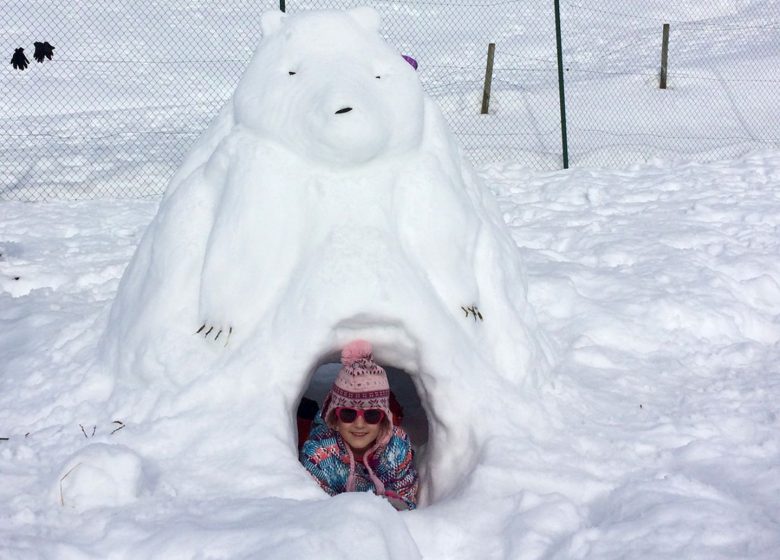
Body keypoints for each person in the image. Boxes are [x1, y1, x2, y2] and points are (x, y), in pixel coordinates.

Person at [299, 340, 419, 510]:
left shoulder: (397, 447)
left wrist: (396, 505)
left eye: (372, 414)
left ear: (383, 417)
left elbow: (407, 492)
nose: (359, 424)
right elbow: (316, 510)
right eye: (348, 414)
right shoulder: (319, 454)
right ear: (335, 415)